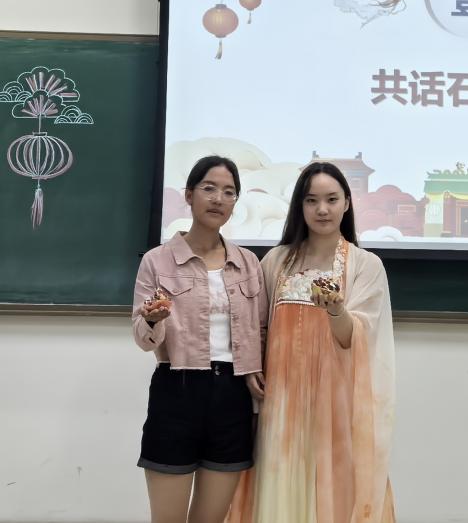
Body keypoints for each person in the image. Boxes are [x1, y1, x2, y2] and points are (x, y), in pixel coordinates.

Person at [229, 161, 395, 523]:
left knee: (332, 488)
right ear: (299, 206)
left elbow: (356, 339)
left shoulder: (366, 265)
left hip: (335, 404)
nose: (322, 209)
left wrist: (336, 310)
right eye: (311, 200)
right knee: (278, 480)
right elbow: (257, 327)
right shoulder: (276, 261)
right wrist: (252, 369)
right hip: (280, 402)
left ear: (347, 203)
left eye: (332, 199)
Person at [132, 155, 268, 523]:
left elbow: (261, 329)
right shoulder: (157, 261)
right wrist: (153, 320)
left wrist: (254, 371)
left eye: (229, 192)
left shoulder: (249, 263)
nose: (218, 199)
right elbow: (143, 338)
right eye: (209, 188)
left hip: (233, 397)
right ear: (189, 195)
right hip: (177, 391)